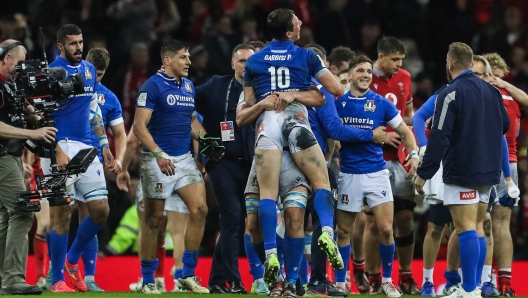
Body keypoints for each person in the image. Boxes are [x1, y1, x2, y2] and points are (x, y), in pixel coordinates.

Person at [243, 9, 344, 285]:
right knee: (321, 180)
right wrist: (297, 93)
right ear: (289, 32)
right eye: (296, 21)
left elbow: (248, 106)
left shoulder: (254, 61)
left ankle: (272, 254)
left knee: (267, 192)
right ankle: (326, 232)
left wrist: (269, 100)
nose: (301, 22)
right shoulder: (307, 56)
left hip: (266, 124)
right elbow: (334, 89)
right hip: (296, 118)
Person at [414, 42, 509, 298]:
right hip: (489, 171)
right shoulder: (493, 92)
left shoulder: (450, 93)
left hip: (463, 171)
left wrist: (424, 172)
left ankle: (468, 290)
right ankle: (474, 286)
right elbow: (505, 125)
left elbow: (439, 136)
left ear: (449, 64)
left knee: (465, 226)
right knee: (477, 225)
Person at [303, 46, 386, 297]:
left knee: (291, 220)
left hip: (280, 158)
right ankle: (318, 279)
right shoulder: (324, 92)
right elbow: (335, 131)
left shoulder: (282, 88)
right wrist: (370, 134)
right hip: (315, 163)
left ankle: (289, 280)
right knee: (322, 218)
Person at [334, 55, 417, 298]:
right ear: (350, 75)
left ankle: (388, 281)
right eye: (360, 70)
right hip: (349, 173)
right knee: (344, 232)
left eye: (369, 71)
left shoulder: (381, 103)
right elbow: (334, 134)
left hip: (377, 173)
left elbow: (405, 131)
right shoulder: (338, 104)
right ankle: (341, 282)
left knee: (386, 229)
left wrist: (413, 154)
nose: (366, 75)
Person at [132, 39, 211, 294]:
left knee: (200, 209)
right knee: (154, 220)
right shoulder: (151, 86)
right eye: (183, 57)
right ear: (167, 60)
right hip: (157, 160)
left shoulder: (188, 86)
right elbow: (139, 127)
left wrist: (208, 141)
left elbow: (191, 123)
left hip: (184, 160)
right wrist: (158, 154)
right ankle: (147, 279)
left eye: (188, 57)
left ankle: (187, 274)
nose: (189, 62)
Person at [45, 24, 114, 293]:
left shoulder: (87, 69)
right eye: (72, 43)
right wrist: (55, 149)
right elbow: (41, 114)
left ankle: (72, 260)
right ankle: (57, 279)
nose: (78, 47)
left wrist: (104, 145)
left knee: (100, 210)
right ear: (61, 46)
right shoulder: (51, 72)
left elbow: (93, 108)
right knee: (62, 213)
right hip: (58, 145)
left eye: (81, 42)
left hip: (87, 147)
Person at [194, 43, 255, 294]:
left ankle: (217, 281)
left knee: (236, 220)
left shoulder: (261, 90)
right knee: (231, 217)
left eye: (250, 63)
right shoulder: (217, 85)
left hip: (250, 164)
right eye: (241, 62)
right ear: (233, 64)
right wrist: (204, 138)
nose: (245, 67)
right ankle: (234, 279)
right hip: (220, 162)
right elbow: (185, 106)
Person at [0, 39, 56, 295]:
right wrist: (31, 134)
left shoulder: (11, 86)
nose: (21, 69)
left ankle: (4, 277)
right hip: (2, 157)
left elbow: (21, 114)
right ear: (6, 59)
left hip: (11, 157)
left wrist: (36, 116)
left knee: (5, 218)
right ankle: (13, 279)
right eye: (19, 63)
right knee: (23, 213)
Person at [365, 36, 418, 294]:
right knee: (375, 223)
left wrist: (406, 132)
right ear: (381, 56)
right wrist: (381, 132)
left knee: (406, 217)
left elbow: (408, 115)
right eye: (395, 59)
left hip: (399, 159)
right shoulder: (365, 78)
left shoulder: (405, 78)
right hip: (372, 158)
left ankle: (406, 275)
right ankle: (373, 277)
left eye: (401, 60)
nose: (399, 64)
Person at [78, 47, 126, 292]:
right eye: (92, 73)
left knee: (94, 215)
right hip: (66, 157)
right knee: (61, 217)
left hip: (94, 161)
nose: (95, 78)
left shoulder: (109, 98)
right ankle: (54, 276)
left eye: (100, 74)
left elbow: (120, 133)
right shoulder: (69, 87)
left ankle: (88, 277)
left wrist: (119, 158)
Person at [482, 52, 527, 297]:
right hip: (485, 161)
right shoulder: (484, 93)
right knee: (485, 222)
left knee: (499, 223)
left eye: (498, 75)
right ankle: (485, 280)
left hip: (506, 163)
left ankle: (504, 282)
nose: (495, 79)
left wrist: (504, 84)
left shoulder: (509, 94)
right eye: (491, 74)